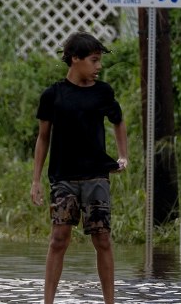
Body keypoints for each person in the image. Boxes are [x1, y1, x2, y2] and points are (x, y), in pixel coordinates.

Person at [30, 31, 128, 304]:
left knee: (102, 239)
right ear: (75, 59)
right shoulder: (53, 95)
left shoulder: (103, 92)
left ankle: (110, 301)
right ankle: (47, 301)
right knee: (59, 238)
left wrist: (123, 156)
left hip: (96, 176)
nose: (98, 67)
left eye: (99, 61)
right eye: (94, 61)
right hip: (63, 177)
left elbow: (118, 121)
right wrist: (36, 180)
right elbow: (43, 138)